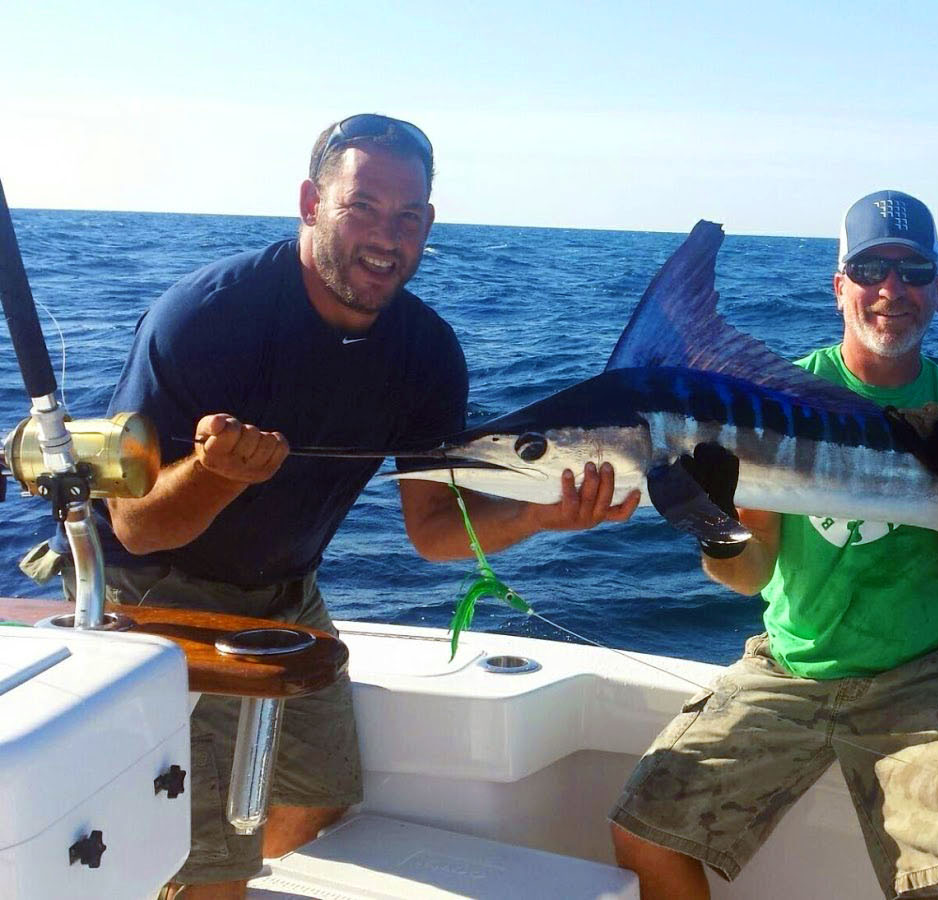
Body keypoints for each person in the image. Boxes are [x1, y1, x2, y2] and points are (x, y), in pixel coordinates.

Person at [22, 114, 639, 899]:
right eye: (363, 207)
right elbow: (137, 527)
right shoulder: (209, 317)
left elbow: (433, 533)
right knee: (210, 858)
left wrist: (541, 515)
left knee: (317, 792)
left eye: (408, 215)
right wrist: (217, 475)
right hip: (156, 593)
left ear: (430, 225)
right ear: (312, 201)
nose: (387, 236)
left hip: (288, 593)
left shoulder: (427, 351)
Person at [608, 190, 938, 899]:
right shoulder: (769, 401)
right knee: (643, 830)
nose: (890, 290)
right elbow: (750, 575)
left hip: (925, 677)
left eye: (913, 271)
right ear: (839, 287)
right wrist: (711, 527)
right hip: (790, 668)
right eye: (869, 269)